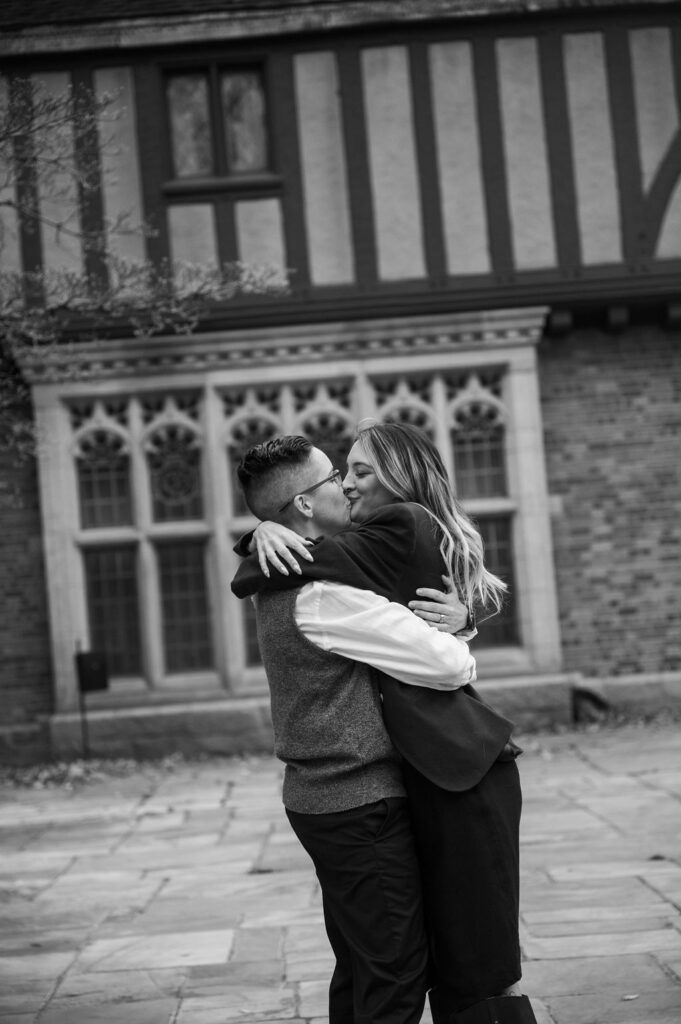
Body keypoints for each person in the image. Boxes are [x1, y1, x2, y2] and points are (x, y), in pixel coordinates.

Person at [232, 423, 537, 1024]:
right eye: (336, 476)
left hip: (354, 792)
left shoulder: (339, 564)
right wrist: (454, 636)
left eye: (359, 472)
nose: (345, 486)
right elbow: (448, 665)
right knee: (395, 975)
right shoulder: (324, 592)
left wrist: (255, 536)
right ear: (302, 502)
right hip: (360, 800)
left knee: (372, 966)